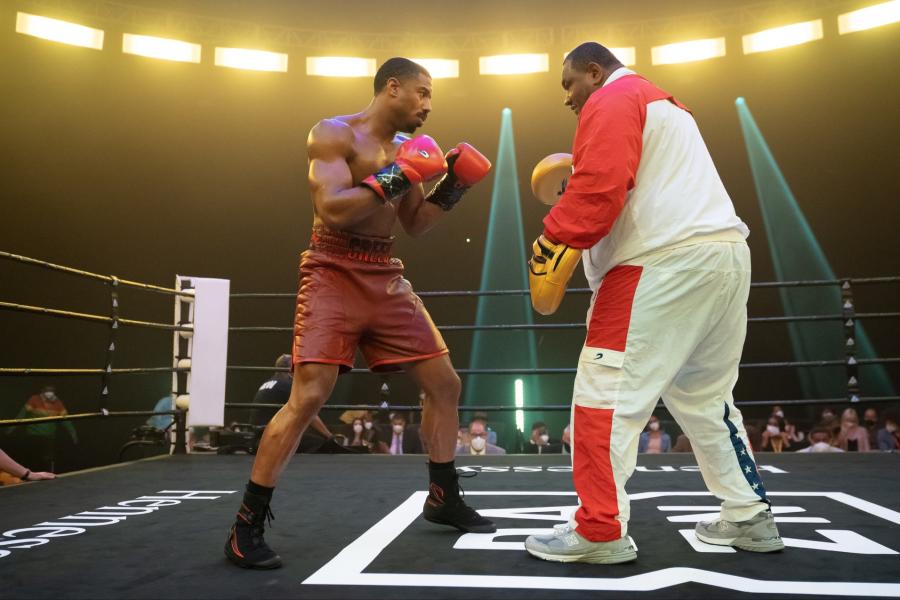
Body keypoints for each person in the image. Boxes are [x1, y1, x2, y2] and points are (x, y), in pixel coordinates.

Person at [224, 58, 494, 569]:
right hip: (331, 267)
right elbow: (334, 208)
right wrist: (401, 173)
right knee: (309, 395)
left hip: (384, 272)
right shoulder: (332, 133)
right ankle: (245, 528)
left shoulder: (409, 152)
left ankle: (442, 497)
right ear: (393, 88)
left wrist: (453, 185)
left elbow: (414, 223)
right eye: (422, 93)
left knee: (445, 383)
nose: (428, 106)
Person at [524, 42, 782, 565]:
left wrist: (551, 239)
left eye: (569, 84)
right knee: (707, 399)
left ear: (594, 72)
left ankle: (600, 530)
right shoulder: (666, 106)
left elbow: (598, 188)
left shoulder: (614, 99)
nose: (567, 98)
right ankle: (749, 516)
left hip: (657, 267)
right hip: (725, 257)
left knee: (603, 399)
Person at [249, 354, 335, 453]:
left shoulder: (268, 383)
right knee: (319, 443)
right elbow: (309, 413)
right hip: (272, 436)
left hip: (259, 434)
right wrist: (329, 436)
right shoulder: (287, 385)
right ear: (291, 369)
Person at [11, 386, 78, 472]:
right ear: (42, 391)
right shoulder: (34, 399)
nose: (49, 392)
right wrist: (11, 429)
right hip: (33, 436)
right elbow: (22, 414)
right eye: (47, 390)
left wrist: (73, 434)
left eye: (51, 390)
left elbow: (66, 420)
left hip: (49, 437)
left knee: (47, 459)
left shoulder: (58, 403)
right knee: (32, 458)